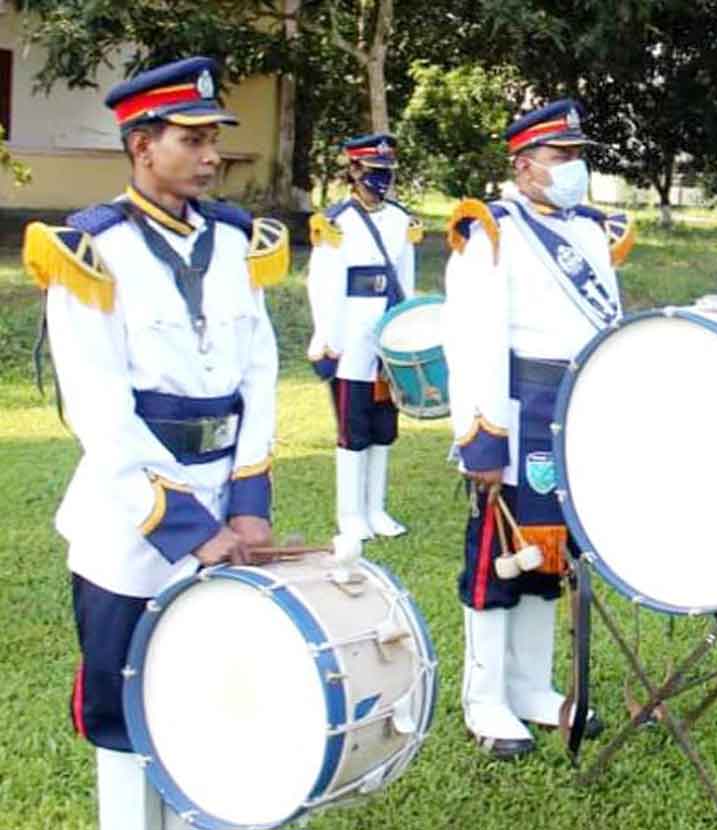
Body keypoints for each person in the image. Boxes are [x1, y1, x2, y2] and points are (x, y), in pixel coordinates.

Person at [21, 56, 285, 828]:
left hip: (222, 505)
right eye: (192, 139)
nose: (212, 156)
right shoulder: (91, 251)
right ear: (141, 145)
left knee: (201, 685)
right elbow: (98, 410)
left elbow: (260, 378)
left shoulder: (238, 242)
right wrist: (188, 530)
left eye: (215, 140)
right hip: (129, 522)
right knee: (121, 695)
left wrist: (246, 504)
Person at [443, 99, 631, 758]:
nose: (574, 169)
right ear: (523, 165)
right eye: (561, 157)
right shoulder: (492, 230)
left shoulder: (589, 230)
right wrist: (483, 437)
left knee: (552, 557)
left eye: (579, 156)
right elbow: (472, 340)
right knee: (498, 556)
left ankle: (530, 686)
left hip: (575, 413)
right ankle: (485, 697)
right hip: (516, 410)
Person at [306, 133, 422, 541]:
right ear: (354, 171)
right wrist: (327, 336)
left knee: (384, 425)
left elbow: (405, 280)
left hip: (387, 331)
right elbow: (323, 284)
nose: (382, 181)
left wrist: (405, 331)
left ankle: (376, 509)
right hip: (351, 333)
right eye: (374, 172)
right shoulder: (337, 223)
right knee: (352, 427)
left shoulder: (400, 220)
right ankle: (351, 513)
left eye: (387, 173)